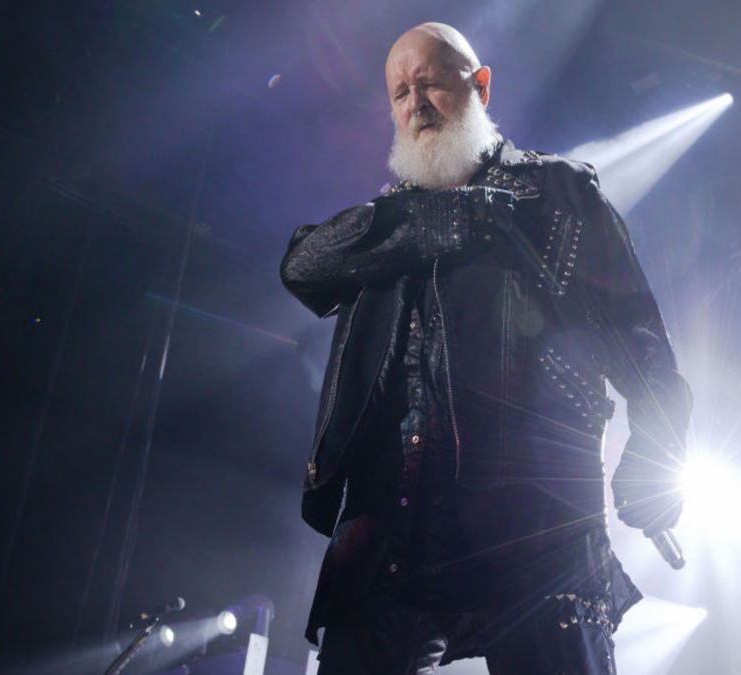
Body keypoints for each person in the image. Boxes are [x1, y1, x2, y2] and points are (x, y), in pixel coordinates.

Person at [280, 22, 691, 675]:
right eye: (399, 92)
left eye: (431, 83)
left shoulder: (557, 195)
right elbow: (302, 265)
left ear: (479, 84)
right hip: (391, 532)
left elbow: (647, 353)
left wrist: (657, 450)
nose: (414, 104)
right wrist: (441, 217)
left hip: (535, 533)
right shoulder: (386, 225)